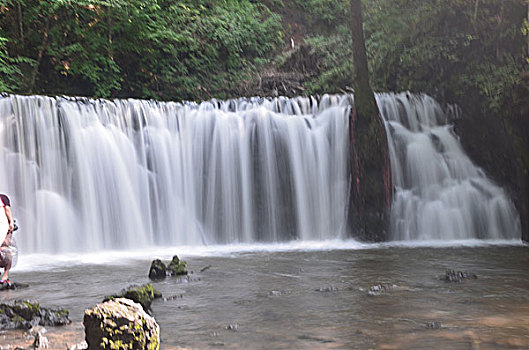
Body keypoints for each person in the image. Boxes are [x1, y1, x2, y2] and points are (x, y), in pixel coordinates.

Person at [0, 193, 15, 285]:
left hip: (4, 228)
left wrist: (11, 223)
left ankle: (6, 275)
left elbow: (8, 210)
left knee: (5, 249)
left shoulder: (3, 198)